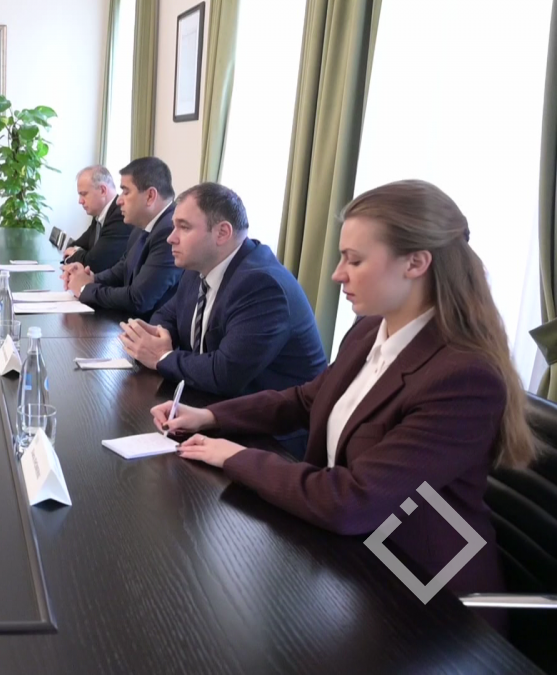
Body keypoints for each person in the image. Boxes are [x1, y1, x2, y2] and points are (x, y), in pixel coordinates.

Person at [155, 179, 532, 607]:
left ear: (415, 263)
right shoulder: (371, 328)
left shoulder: (463, 378)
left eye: (354, 260)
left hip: (422, 591)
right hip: (352, 555)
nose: (337, 274)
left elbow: (352, 500)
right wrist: (211, 417)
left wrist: (234, 456)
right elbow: (306, 399)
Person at [120, 182, 326, 397]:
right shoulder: (198, 267)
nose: (171, 238)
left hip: (274, 415)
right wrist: (159, 338)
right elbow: (167, 315)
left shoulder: (262, 286)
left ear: (222, 233)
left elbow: (225, 373)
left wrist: (162, 357)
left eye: (184, 227)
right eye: (174, 226)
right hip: (215, 402)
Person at [63, 157, 182, 318]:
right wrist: (91, 278)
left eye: (126, 192)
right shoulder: (141, 226)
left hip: (151, 328)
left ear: (150, 196)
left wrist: (85, 289)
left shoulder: (169, 232)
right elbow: (123, 269)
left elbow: (138, 299)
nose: (119, 200)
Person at [63, 165, 134, 272]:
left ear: (102, 190)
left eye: (84, 194)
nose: (80, 201)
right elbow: (73, 246)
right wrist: (81, 254)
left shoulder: (120, 217)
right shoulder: (99, 216)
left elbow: (92, 264)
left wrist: (77, 254)